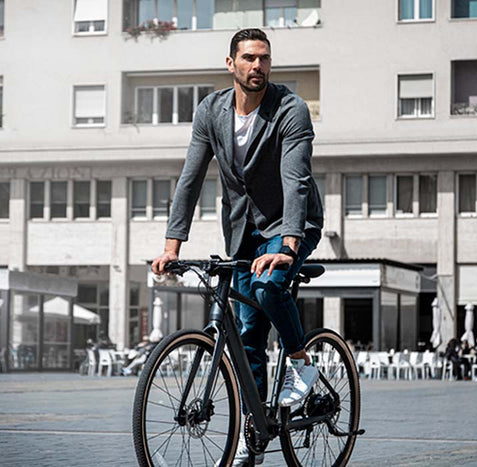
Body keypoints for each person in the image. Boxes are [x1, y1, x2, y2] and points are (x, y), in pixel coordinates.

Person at [151, 28, 324, 465]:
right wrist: (172, 245)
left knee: (268, 287)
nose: (257, 66)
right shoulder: (210, 111)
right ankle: (256, 430)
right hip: (243, 231)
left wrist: (288, 244)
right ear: (231, 64)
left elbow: (296, 179)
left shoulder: (290, 110)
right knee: (247, 334)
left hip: (292, 223)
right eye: (248, 58)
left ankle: (302, 362)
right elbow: (189, 178)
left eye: (264, 59)